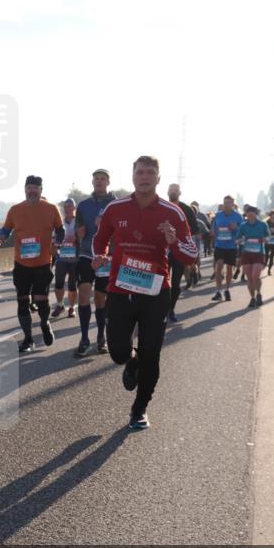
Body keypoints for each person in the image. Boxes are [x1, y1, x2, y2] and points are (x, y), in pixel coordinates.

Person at [92, 156, 197, 430]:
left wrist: (173, 241)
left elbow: (191, 255)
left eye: (150, 172)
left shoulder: (172, 213)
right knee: (117, 352)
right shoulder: (116, 209)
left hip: (155, 293)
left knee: (152, 354)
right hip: (121, 289)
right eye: (140, 172)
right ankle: (131, 360)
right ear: (133, 176)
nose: (145, 177)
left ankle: (139, 409)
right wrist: (100, 255)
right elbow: (100, 239)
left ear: (158, 179)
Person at [0, 175, 63, 352]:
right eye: (29, 187)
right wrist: (1, 237)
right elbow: (6, 228)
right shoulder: (15, 210)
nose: (32, 190)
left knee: (41, 300)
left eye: (36, 188)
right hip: (21, 264)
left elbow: (60, 229)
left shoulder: (51, 208)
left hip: (42, 262)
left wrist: (57, 244)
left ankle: (45, 322)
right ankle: (28, 339)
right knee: (22, 301)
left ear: (41, 190)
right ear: (25, 189)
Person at [74, 168, 116, 356]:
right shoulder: (83, 205)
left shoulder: (116, 204)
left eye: (102, 179)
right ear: (92, 182)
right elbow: (78, 226)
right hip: (86, 254)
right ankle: (84, 339)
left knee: (101, 300)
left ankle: (101, 337)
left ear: (108, 182)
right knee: (83, 293)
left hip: (106, 257)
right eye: (96, 179)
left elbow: (122, 230)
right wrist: (79, 232)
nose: (99, 181)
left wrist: (107, 225)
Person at [165, 183, 198, 323]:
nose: (173, 192)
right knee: (161, 282)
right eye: (171, 190)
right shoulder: (161, 206)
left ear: (180, 193)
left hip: (179, 249)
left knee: (175, 282)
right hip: (162, 250)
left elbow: (194, 231)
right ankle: (160, 309)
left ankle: (170, 309)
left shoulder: (186, 209)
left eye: (176, 190)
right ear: (167, 192)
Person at [210, 196, 243, 302]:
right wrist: (213, 233)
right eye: (225, 202)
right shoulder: (218, 215)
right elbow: (214, 228)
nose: (226, 204)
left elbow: (243, 231)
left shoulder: (238, 216)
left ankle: (227, 289)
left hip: (231, 246)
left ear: (233, 204)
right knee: (218, 267)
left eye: (229, 202)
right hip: (219, 245)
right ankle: (218, 291)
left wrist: (236, 228)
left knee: (229, 269)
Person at [236, 205, 270, 307]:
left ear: (256, 214)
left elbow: (268, 238)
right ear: (246, 215)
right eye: (248, 213)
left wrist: (264, 240)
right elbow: (237, 240)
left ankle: (258, 293)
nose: (250, 215)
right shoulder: (243, 226)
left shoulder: (262, 225)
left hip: (258, 253)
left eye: (252, 213)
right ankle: (252, 298)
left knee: (255, 276)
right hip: (246, 253)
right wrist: (241, 240)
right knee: (249, 278)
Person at [51, 198, 78, 318]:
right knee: (59, 284)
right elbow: (53, 238)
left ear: (74, 208)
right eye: (66, 206)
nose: (67, 208)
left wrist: (76, 238)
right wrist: (56, 246)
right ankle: (60, 305)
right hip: (62, 257)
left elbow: (85, 236)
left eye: (70, 206)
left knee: (72, 285)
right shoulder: (59, 223)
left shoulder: (79, 222)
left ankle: (71, 308)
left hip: (75, 258)